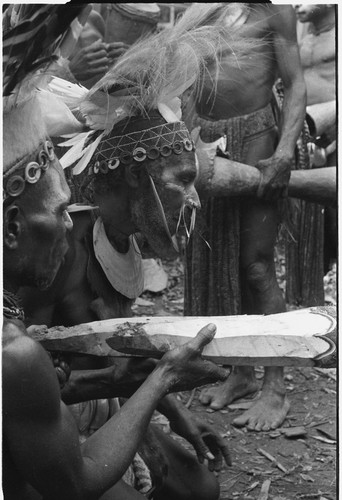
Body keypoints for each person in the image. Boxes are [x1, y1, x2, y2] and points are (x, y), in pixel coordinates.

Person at [3, 92, 231, 500]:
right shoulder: (55, 256)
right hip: (52, 433)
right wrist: (158, 383)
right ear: (136, 178)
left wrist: (171, 415)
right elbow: (39, 391)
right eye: (182, 180)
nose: (192, 198)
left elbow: (100, 371)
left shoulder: (119, 241)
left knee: (203, 490)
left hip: (69, 413)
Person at [184, 3, 306, 431]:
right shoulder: (202, 10)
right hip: (204, 138)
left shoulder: (275, 12)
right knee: (221, 261)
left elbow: (295, 85)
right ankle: (241, 372)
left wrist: (284, 152)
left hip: (255, 136)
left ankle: (276, 388)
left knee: (255, 266)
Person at [295, 3, 336, 272]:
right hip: (306, 132)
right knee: (306, 207)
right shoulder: (299, 31)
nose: (297, 3)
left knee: (335, 213)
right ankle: (314, 279)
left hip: (335, 130)